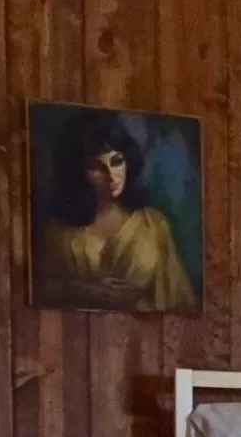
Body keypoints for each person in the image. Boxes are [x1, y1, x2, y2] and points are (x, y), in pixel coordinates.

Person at [33, 112, 199, 314]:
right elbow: (36, 290)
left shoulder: (153, 224)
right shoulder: (56, 231)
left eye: (117, 161)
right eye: (96, 167)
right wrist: (83, 291)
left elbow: (180, 301)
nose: (112, 176)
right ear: (77, 171)